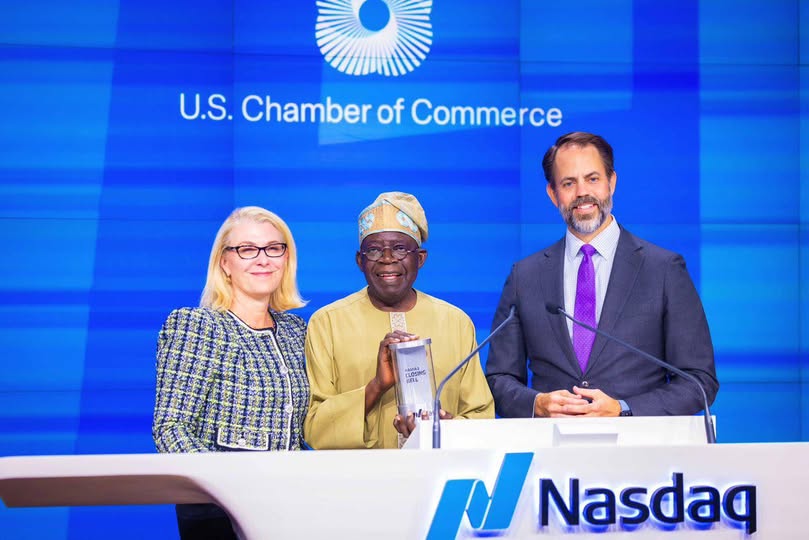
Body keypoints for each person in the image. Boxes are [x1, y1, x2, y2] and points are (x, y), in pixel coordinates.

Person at [486, 132, 719, 418]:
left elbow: (699, 381)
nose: (582, 192)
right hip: (551, 444)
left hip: (638, 444)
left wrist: (624, 409)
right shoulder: (525, 277)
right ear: (553, 194)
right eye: (568, 183)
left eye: (593, 179)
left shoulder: (663, 269)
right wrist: (536, 404)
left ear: (612, 182)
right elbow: (499, 379)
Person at [152, 206, 309, 539]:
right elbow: (170, 428)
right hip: (218, 512)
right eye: (247, 249)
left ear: (286, 258)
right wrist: (227, 485)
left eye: (273, 248)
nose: (263, 259)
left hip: (291, 506)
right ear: (225, 262)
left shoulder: (296, 331)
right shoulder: (198, 326)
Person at [304, 192, 494, 449]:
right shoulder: (327, 323)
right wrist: (376, 387)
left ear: (420, 258)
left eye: (400, 248)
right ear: (360, 261)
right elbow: (315, 429)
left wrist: (446, 429)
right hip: (357, 472)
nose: (387, 258)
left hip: (439, 470)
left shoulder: (456, 322)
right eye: (374, 250)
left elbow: (482, 417)